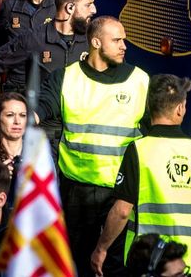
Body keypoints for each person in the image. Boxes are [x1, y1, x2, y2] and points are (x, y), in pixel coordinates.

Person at [91, 75, 191, 276]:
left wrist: (101, 248)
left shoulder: (139, 150)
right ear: (181, 108)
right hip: (189, 263)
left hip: (147, 260)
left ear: (148, 106)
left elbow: (122, 210)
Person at [59, 15, 150, 277]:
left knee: (112, 265)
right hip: (78, 189)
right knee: (76, 262)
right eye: (117, 40)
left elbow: (154, 132)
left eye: (124, 40)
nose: (124, 46)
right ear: (96, 42)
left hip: (119, 191)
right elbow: (44, 113)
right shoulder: (67, 77)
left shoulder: (140, 80)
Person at [0, 0, 98, 135]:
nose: (94, 9)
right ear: (70, 7)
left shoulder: (92, 42)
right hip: (39, 135)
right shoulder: (33, 40)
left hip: (77, 135)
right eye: (88, 4)